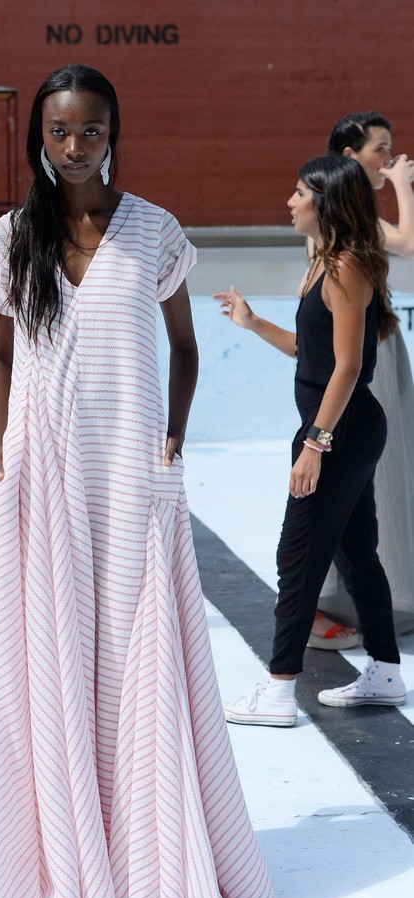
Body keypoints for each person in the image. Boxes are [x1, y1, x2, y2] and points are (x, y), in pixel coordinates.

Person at [0, 65, 276, 898]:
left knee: (133, 662)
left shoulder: (154, 231)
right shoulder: (9, 238)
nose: (75, 147)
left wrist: (173, 437)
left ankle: (145, 866)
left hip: (130, 479)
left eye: (91, 130)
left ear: (114, 131)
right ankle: (46, 866)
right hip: (39, 476)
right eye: (59, 131)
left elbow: (184, 348)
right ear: (38, 135)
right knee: (35, 662)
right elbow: (1, 357)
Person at [214, 155, 406, 727]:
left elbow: (348, 368)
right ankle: (385, 672)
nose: (290, 201)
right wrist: (252, 323)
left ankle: (278, 690)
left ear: (326, 203)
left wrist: (315, 445)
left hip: (338, 432)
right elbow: (310, 351)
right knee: (355, 552)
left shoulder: (345, 267)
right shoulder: (327, 264)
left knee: (297, 556)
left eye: (300, 193)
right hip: (344, 428)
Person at [313, 112, 414, 641]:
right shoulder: (340, 220)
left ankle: (371, 596)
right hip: (363, 351)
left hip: (379, 345)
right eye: (381, 149)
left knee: (384, 469)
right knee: (365, 469)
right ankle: (344, 600)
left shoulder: (344, 217)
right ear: (350, 157)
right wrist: (402, 186)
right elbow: (410, 243)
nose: (389, 159)